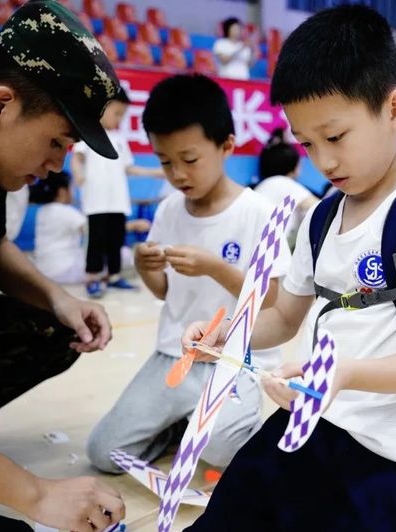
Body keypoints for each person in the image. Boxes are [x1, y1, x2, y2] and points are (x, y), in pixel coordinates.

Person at [182, 6, 396, 531]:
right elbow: (284, 318)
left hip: (389, 451)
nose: (322, 161)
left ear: (395, 108)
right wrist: (227, 335)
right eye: (306, 144)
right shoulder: (322, 217)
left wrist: (341, 374)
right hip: (310, 420)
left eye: (336, 137)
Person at [0, 2, 125, 531]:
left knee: (54, 328)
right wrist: (33, 494)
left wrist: (59, 298)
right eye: (56, 141)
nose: (57, 165)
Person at [86, 74, 290, 474]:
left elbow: (270, 300)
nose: (177, 174)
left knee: (225, 452)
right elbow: (165, 291)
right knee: (104, 453)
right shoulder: (169, 210)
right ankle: (178, 425)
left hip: (234, 359)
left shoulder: (257, 213)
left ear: (226, 146)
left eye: (189, 160)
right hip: (173, 355)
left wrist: (215, 268)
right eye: (165, 162)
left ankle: (209, 423)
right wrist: (146, 268)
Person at [71, 88, 164, 298]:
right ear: (102, 108)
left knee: (116, 239)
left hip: (118, 201)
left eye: (123, 115)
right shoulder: (88, 134)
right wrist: (78, 176)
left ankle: (114, 276)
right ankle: (92, 277)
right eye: (117, 113)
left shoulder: (119, 139)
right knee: (96, 240)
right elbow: (77, 158)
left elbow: (128, 167)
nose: (119, 119)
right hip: (96, 201)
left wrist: (155, 172)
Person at [254, 128, 319, 247]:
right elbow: (319, 209)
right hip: (271, 251)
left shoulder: (262, 186)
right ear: (294, 166)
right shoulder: (284, 184)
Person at [30, 171, 88, 285]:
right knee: (121, 254)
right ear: (62, 192)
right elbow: (94, 231)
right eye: (72, 188)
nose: (74, 192)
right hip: (65, 271)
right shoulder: (66, 211)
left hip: (45, 272)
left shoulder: (42, 211)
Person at [212, 17, 258, 81]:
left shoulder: (245, 46)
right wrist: (241, 48)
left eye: (239, 29)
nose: (237, 31)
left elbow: (250, 65)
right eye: (235, 29)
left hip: (243, 80)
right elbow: (224, 60)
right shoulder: (221, 43)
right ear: (228, 29)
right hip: (226, 79)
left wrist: (252, 50)